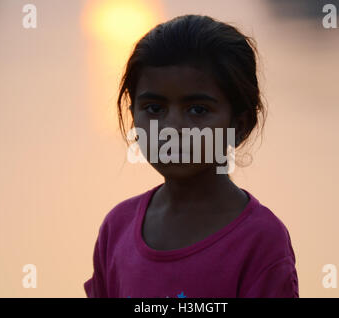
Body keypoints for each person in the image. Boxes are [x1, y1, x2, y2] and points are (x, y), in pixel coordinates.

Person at [84, 14, 299, 298]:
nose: (172, 128)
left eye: (197, 110)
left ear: (240, 125)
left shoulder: (260, 241)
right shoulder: (117, 229)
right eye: (154, 108)